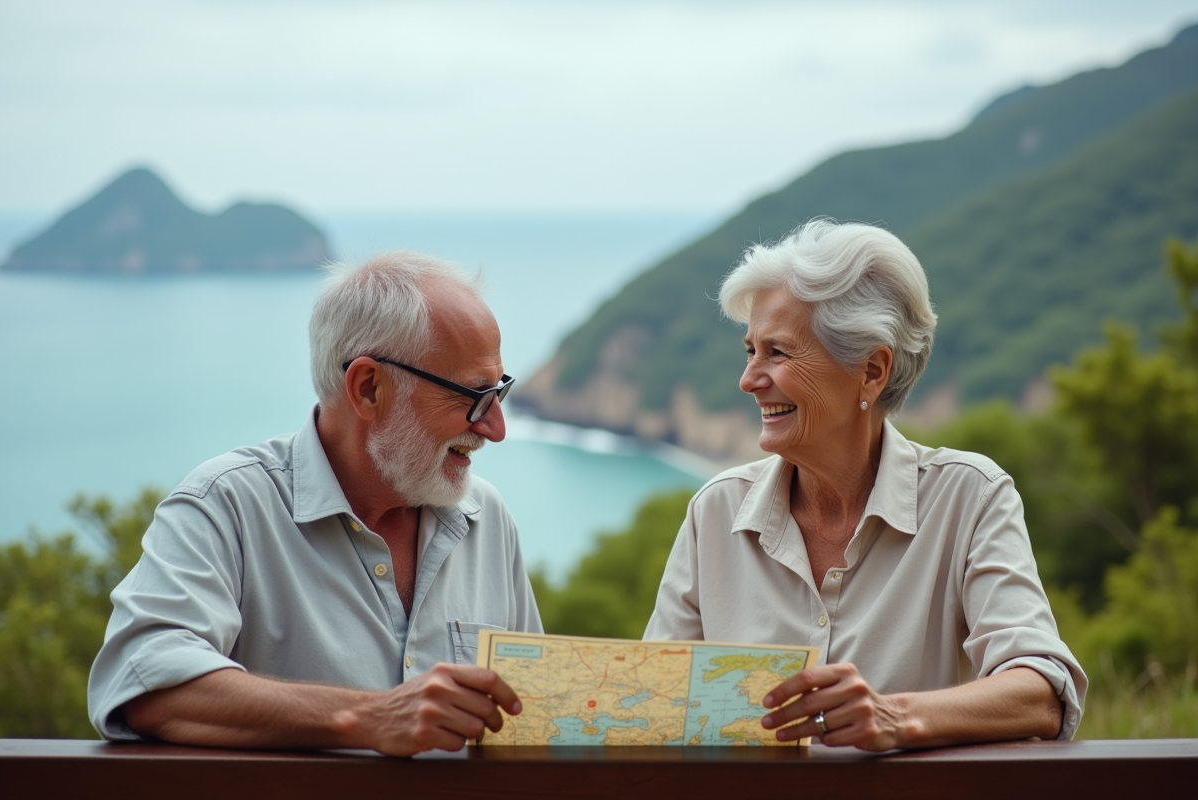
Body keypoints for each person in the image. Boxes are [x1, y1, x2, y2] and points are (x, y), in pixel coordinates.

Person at [644, 219, 1086, 750]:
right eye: (750, 350)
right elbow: (654, 706)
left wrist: (894, 717)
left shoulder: (970, 496)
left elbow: (1042, 691)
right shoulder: (714, 511)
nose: (749, 378)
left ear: (872, 371)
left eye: (777, 353)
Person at [88, 251, 542, 755]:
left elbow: (534, 720)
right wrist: (369, 717)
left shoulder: (488, 517)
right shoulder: (227, 506)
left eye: (499, 390)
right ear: (368, 388)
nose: (495, 428)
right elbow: (147, 683)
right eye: (472, 396)